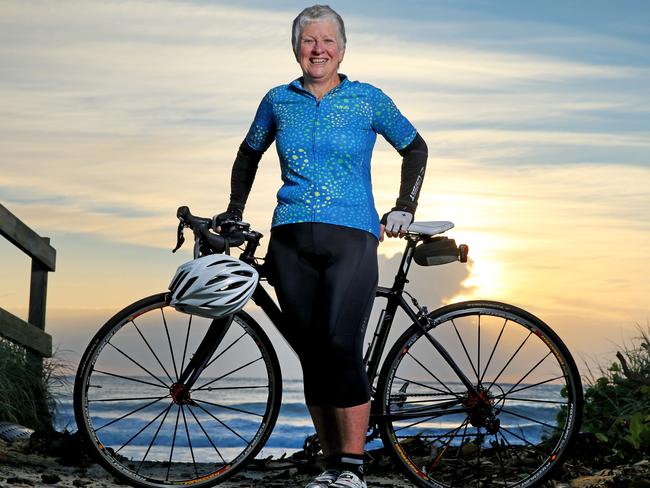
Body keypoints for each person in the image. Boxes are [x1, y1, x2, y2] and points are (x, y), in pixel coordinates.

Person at [215, 5, 427, 488]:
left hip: (352, 233)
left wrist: (404, 206)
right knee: (312, 353)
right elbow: (248, 154)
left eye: (328, 41)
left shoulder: (367, 99)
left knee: (338, 344)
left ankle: (352, 470)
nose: (319, 49)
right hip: (288, 235)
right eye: (309, 41)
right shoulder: (277, 100)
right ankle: (334, 467)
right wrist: (234, 208)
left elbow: (416, 147)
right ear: (296, 48)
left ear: (343, 49)